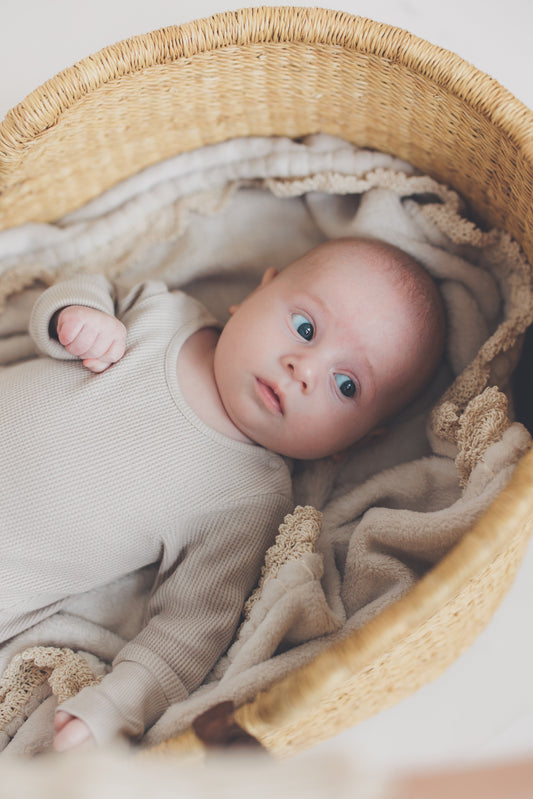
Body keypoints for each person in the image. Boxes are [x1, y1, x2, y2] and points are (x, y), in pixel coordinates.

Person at [0, 236, 445, 752]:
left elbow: (190, 630)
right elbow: (81, 291)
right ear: (258, 292)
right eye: (305, 328)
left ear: (352, 444)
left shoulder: (249, 497)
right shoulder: (164, 313)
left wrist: (117, 705)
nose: (305, 367)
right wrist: (75, 316)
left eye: (346, 385)